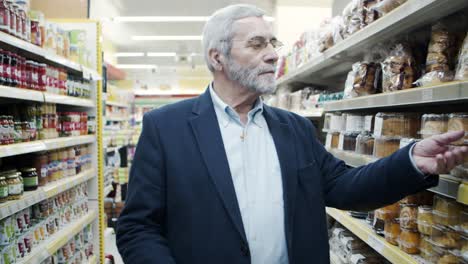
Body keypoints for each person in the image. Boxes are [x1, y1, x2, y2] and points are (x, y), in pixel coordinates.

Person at [116, 4, 467, 264]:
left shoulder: (294, 128)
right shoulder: (166, 127)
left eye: (273, 43)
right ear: (217, 57)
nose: (272, 55)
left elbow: (345, 187)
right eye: (256, 45)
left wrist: (412, 161)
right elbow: (138, 227)